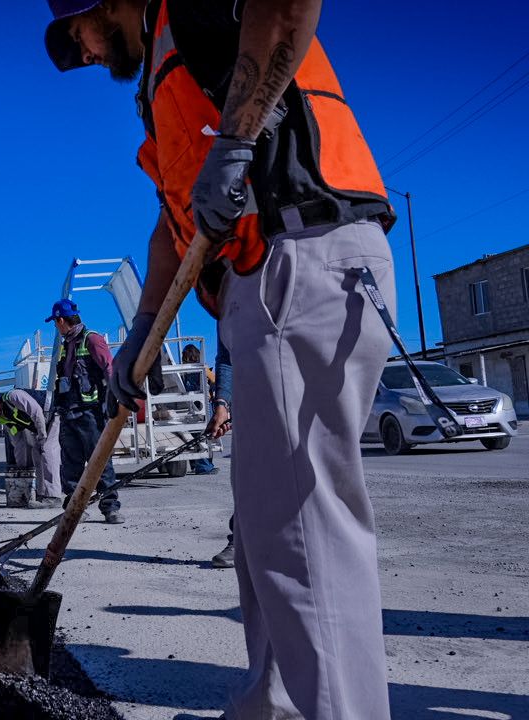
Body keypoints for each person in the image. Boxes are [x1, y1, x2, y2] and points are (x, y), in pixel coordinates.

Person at [45, 2, 397, 717]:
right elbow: (173, 226)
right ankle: (276, 704)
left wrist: (236, 146)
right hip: (267, 281)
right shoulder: (162, 81)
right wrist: (146, 323)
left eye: (75, 30)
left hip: (299, 255)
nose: (81, 51)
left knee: (302, 532)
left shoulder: (190, 8)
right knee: (271, 531)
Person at [46, 298, 123, 524]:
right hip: (69, 412)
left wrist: (114, 400)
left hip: (90, 413)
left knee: (99, 461)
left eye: (55, 323)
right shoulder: (66, 345)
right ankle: (74, 507)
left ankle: (110, 507)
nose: (56, 327)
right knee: (71, 463)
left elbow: (109, 369)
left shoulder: (92, 340)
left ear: (61, 320)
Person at [0, 390, 63, 505]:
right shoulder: (5, 419)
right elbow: (19, 443)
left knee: (47, 449)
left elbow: (36, 412)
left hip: (52, 413)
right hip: (43, 421)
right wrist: (21, 470)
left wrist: (42, 436)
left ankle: (53, 497)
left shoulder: (13, 396)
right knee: (36, 452)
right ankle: (42, 494)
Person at [206, 342, 235, 568]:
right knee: (250, 480)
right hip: (257, 401)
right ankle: (242, 541)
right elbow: (226, 357)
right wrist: (222, 405)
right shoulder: (229, 307)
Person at [180, 344, 218, 475]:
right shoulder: (202, 367)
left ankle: (195, 463)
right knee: (206, 435)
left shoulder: (183, 371)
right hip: (204, 405)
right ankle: (205, 466)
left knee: (195, 436)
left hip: (190, 407)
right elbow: (215, 381)